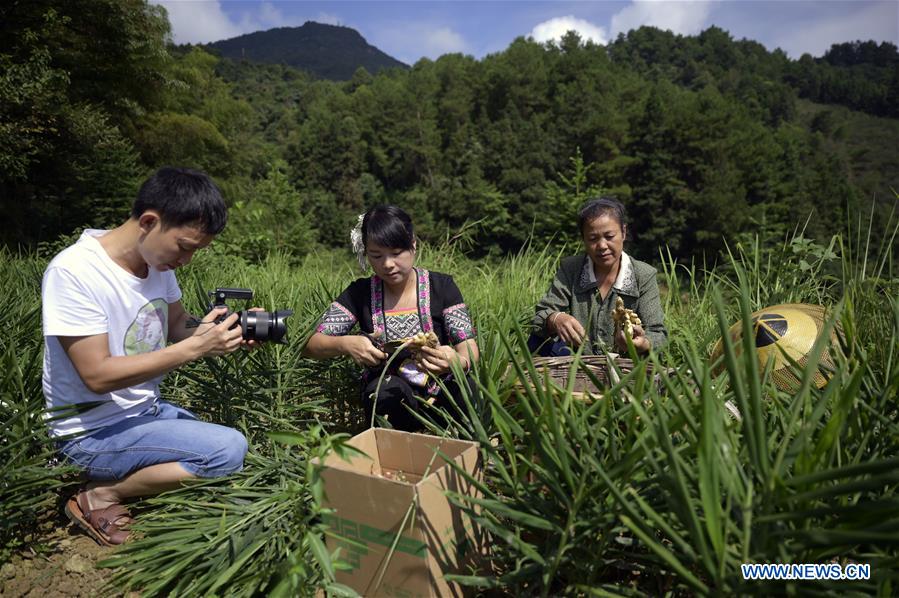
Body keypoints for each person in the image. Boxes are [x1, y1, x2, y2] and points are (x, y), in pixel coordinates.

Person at [42, 167, 250, 546]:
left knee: (223, 438)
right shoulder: (74, 272)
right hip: (90, 433)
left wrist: (220, 332)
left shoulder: (156, 263)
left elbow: (175, 325)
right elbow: (98, 376)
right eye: (185, 247)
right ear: (150, 221)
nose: (186, 260)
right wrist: (194, 348)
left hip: (143, 411)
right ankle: (99, 494)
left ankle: (122, 478)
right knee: (228, 450)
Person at [304, 205, 479, 431]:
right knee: (384, 392)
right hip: (390, 393)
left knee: (468, 389)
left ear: (413, 245)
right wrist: (345, 344)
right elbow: (311, 344)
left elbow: (469, 349)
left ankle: (473, 456)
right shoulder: (360, 293)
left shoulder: (442, 287)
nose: (387, 264)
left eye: (396, 253)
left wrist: (457, 361)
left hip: (441, 387)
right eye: (376, 256)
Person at [531, 197, 667, 356]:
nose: (602, 246)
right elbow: (539, 317)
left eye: (609, 236)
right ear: (584, 239)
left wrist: (643, 343)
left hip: (626, 367)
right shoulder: (571, 268)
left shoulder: (643, 275)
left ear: (623, 232)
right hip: (578, 364)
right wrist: (555, 319)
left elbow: (659, 334)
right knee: (536, 341)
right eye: (593, 239)